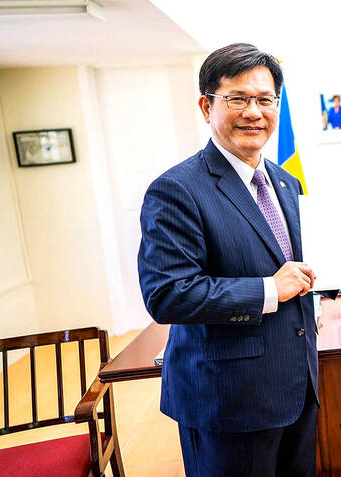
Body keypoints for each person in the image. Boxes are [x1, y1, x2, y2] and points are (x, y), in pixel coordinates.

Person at [138, 43, 331, 477]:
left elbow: (293, 266)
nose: (253, 112)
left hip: (297, 384)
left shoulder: (284, 181)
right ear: (207, 106)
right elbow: (168, 295)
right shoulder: (177, 189)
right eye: (238, 99)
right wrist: (268, 289)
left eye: (265, 100)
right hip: (228, 400)